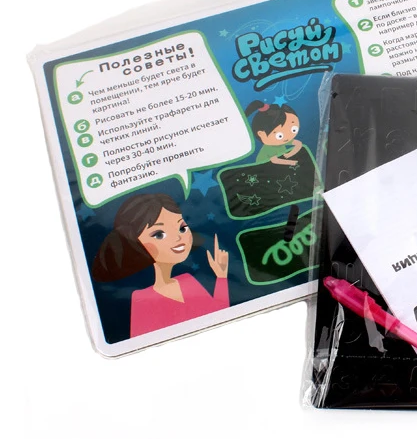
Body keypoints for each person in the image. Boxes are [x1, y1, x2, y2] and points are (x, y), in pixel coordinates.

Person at [92, 193, 229, 338]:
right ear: (134, 244)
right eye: (159, 234)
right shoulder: (142, 300)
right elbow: (143, 343)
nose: (178, 237)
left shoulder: (188, 280)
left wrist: (221, 276)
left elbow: (220, 315)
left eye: (182, 228)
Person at [245, 101, 303, 166]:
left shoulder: (283, 140)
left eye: (294, 129)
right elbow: (275, 160)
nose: (287, 136)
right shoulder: (269, 148)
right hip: (265, 167)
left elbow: (298, 143)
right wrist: (292, 162)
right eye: (279, 136)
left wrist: (289, 155)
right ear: (261, 134)